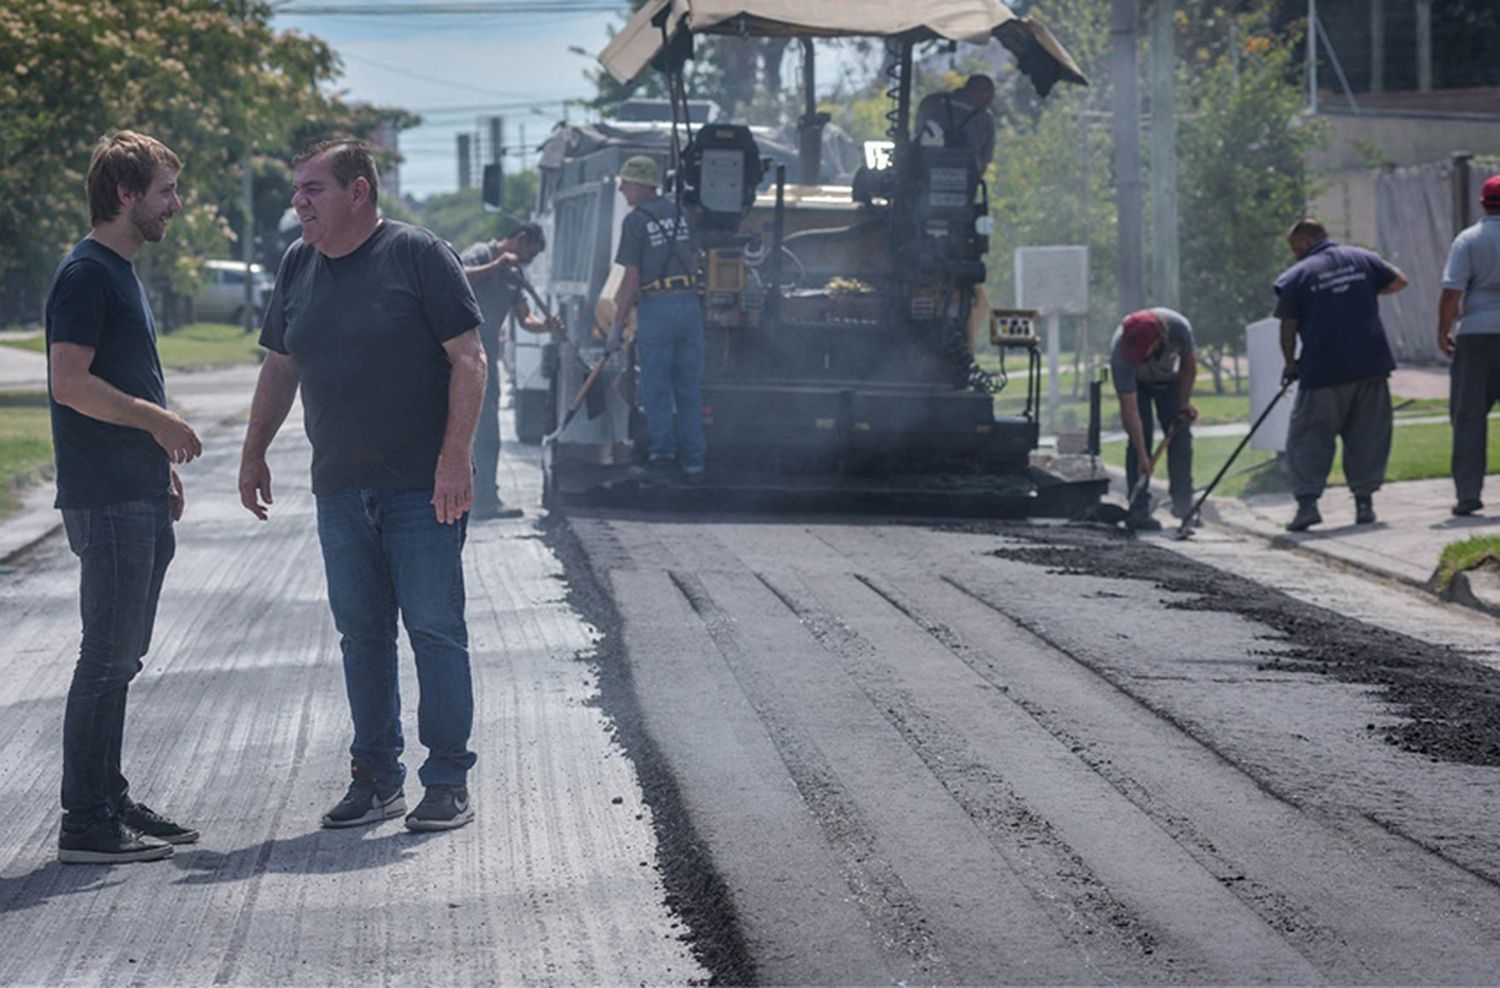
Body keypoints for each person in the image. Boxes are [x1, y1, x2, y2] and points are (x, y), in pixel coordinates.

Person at [238, 139, 488, 833]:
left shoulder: (417, 254)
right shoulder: (297, 265)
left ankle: (446, 781)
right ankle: (376, 777)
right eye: (297, 190)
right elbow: (280, 368)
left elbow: (468, 358)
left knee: (435, 630)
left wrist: (456, 457)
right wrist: (254, 451)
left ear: (359, 192)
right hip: (340, 490)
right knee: (362, 636)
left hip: (420, 489)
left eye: (313, 189)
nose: (299, 202)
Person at [46, 131, 203, 864]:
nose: (176, 204)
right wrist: (158, 422)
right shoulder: (86, 274)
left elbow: (116, 376)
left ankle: (107, 797)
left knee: (123, 658)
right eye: (166, 190)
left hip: (133, 486)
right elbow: (68, 383)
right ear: (125, 194)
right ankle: (85, 824)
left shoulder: (120, 271)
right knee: (105, 658)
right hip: (105, 497)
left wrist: (157, 459)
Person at [1275, 218, 1409, 532]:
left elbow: (1288, 327)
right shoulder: (1363, 259)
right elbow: (1399, 280)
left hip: (1323, 370)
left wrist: (1290, 363)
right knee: (1367, 436)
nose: (1295, 255)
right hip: (1370, 365)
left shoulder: (1297, 276)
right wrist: (1359, 294)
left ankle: (1307, 506)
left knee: (1309, 437)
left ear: (1306, 242)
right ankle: (1365, 504)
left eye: (1296, 248)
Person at [606, 154, 706, 481]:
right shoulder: (682, 213)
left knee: (656, 388)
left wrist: (618, 324)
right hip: (689, 307)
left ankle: (663, 454)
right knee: (689, 388)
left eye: (625, 183)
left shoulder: (635, 222)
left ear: (640, 184)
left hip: (657, 308)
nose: (621, 189)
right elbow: (694, 263)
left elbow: (631, 279)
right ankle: (694, 461)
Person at [460, 222, 563, 519]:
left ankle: (485, 498)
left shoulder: (516, 276)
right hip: (458, 350)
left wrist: (546, 326)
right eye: (529, 253)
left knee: (487, 430)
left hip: (486, 355)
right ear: (519, 239)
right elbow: (456, 278)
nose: (528, 261)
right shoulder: (481, 254)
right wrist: (495, 265)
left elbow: (525, 318)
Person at [1438, 175, 1500, 517]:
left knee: (1468, 418)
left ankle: (1468, 494)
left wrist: (1443, 331)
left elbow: (1452, 292)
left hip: (1476, 335)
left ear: (1483, 203)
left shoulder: (1469, 239)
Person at [1110, 308, 1199, 531]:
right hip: (1137, 387)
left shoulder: (1179, 329)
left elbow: (1189, 365)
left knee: (1180, 436)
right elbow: (1129, 410)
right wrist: (1143, 456)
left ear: (1160, 339)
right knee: (1139, 441)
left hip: (1170, 383)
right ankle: (1138, 508)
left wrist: (1184, 403)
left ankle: (1183, 505)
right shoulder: (1119, 352)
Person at [914, 74, 997, 170]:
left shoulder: (931, 102)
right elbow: (984, 161)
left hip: (925, 171)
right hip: (963, 178)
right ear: (985, 94)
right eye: (991, 96)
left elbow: (918, 134)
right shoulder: (985, 120)